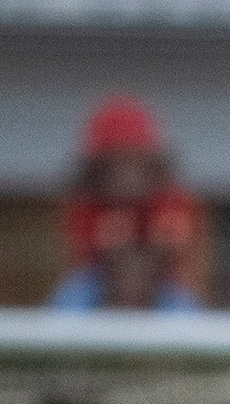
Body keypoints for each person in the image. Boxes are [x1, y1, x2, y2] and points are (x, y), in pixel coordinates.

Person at [48, 95, 209, 311]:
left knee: (186, 313)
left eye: (134, 161)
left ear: (152, 164)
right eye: (117, 162)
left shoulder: (171, 201)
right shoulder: (85, 204)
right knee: (68, 304)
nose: (126, 175)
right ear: (98, 167)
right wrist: (112, 250)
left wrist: (149, 253)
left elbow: (178, 258)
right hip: (98, 287)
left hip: (161, 289)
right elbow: (83, 260)